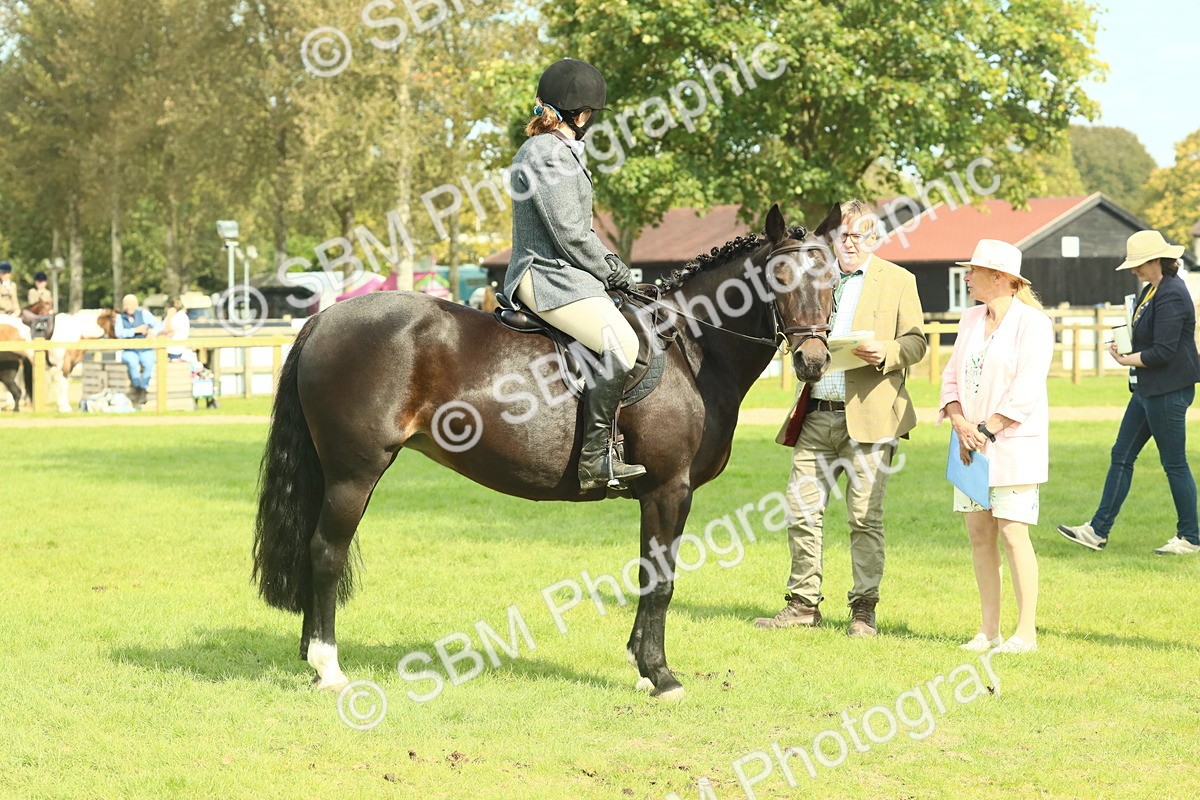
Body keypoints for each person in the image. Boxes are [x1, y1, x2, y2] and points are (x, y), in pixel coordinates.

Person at [755, 200, 928, 636]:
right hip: (816, 413)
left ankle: (863, 610)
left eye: (859, 236)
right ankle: (802, 605)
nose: (849, 243)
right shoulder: (815, 274)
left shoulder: (898, 281)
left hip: (871, 416)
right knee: (801, 512)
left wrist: (887, 351)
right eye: (842, 235)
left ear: (874, 238)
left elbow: (917, 343)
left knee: (864, 519)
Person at [502, 58, 644, 492]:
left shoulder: (556, 151)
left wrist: (609, 267)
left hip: (564, 272)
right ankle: (595, 460)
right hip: (547, 274)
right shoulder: (546, 153)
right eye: (592, 114)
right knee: (622, 343)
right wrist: (612, 268)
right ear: (581, 115)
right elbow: (568, 232)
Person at [938, 240, 1053, 655]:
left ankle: (1025, 633)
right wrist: (959, 422)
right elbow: (950, 377)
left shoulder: (1033, 324)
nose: (967, 276)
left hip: (1011, 445)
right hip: (969, 446)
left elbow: (1027, 389)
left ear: (1000, 277)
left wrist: (985, 430)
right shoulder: (970, 319)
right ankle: (989, 631)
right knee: (978, 536)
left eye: (974, 271)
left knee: (1012, 534)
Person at [1058, 230, 1200, 556]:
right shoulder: (1152, 289)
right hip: (1148, 389)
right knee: (1121, 455)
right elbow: (1149, 337)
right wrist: (1125, 345)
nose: (1134, 270)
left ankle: (1190, 537)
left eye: (1139, 264)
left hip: (1168, 391)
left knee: (1174, 463)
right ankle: (1097, 531)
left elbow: (1163, 352)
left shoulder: (1172, 294)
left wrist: (1126, 360)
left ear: (1156, 260)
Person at [114, 294, 161, 407]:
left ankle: (143, 388)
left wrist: (152, 332)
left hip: (144, 348)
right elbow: (119, 333)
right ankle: (137, 387)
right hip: (129, 350)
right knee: (132, 363)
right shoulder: (120, 318)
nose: (127, 307)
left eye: (130, 305)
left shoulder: (144, 313)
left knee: (149, 362)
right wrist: (135, 330)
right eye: (126, 305)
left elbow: (158, 324)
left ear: (135, 305)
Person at [162, 298, 202, 369]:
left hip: (175, 350)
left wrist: (169, 316)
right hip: (169, 349)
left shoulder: (179, 317)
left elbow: (168, 331)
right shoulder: (174, 316)